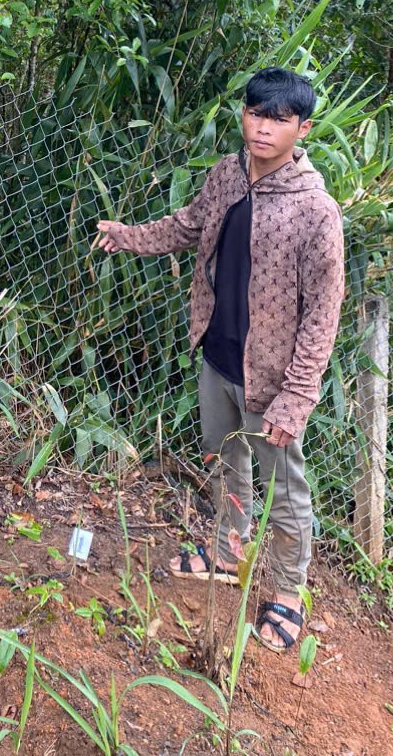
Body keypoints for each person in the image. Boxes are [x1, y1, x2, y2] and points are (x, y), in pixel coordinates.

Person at [95, 67, 344, 652]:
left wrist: (297, 396)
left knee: (285, 491)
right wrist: (127, 235)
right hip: (219, 355)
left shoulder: (316, 211)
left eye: (279, 120)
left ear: (301, 129)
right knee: (223, 464)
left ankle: (286, 592)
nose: (263, 128)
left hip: (273, 380)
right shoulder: (226, 176)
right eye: (256, 114)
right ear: (243, 115)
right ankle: (230, 552)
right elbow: (188, 226)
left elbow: (323, 315)